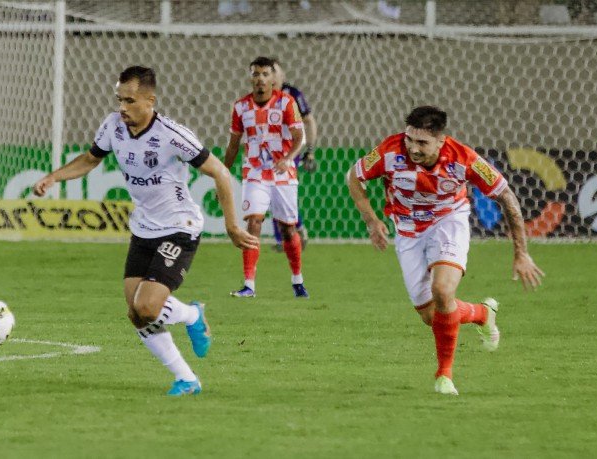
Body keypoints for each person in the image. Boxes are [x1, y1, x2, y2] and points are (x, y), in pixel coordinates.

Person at [34, 66, 258, 396]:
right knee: (136, 315)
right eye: (119, 100)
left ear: (150, 100)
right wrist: (54, 177)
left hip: (179, 228)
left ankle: (192, 315)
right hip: (143, 229)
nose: (122, 107)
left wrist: (232, 226)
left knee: (149, 307)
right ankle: (187, 378)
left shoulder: (172, 135)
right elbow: (90, 160)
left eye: (130, 100)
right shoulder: (113, 127)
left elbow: (222, 174)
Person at [346, 106, 544, 395]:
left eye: (422, 142)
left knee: (442, 291)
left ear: (441, 140)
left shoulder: (462, 158)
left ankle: (444, 376)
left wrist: (521, 252)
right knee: (431, 316)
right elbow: (355, 177)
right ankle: (481, 314)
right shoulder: (390, 151)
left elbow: (506, 196)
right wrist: (371, 220)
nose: (413, 148)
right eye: (410, 139)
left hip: (447, 222)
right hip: (407, 230)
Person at [224, 56, 309, 299]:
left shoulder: (286, 103)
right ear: (250, 78)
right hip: (254, 173)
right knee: (254, 223)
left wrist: (288, 158)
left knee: (288, 228)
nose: (260, 79)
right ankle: (249, 285)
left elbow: (299, 137)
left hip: (282, 174)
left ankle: (297, 280)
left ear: (273, 79)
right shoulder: (241, 107)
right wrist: (222, 173)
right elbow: (232, 146)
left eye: (264, 74)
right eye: (256, 74)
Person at [271, 60, 317, 252]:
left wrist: (310, 151)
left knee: (281, 190)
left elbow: (309, 121)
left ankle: (296, 231)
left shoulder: (293, 95)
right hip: (268, 152)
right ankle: (287, 237)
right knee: (274, 194)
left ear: (282, 74)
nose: (271, 76)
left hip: (290, 150)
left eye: (274, 71)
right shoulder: (261, 98)